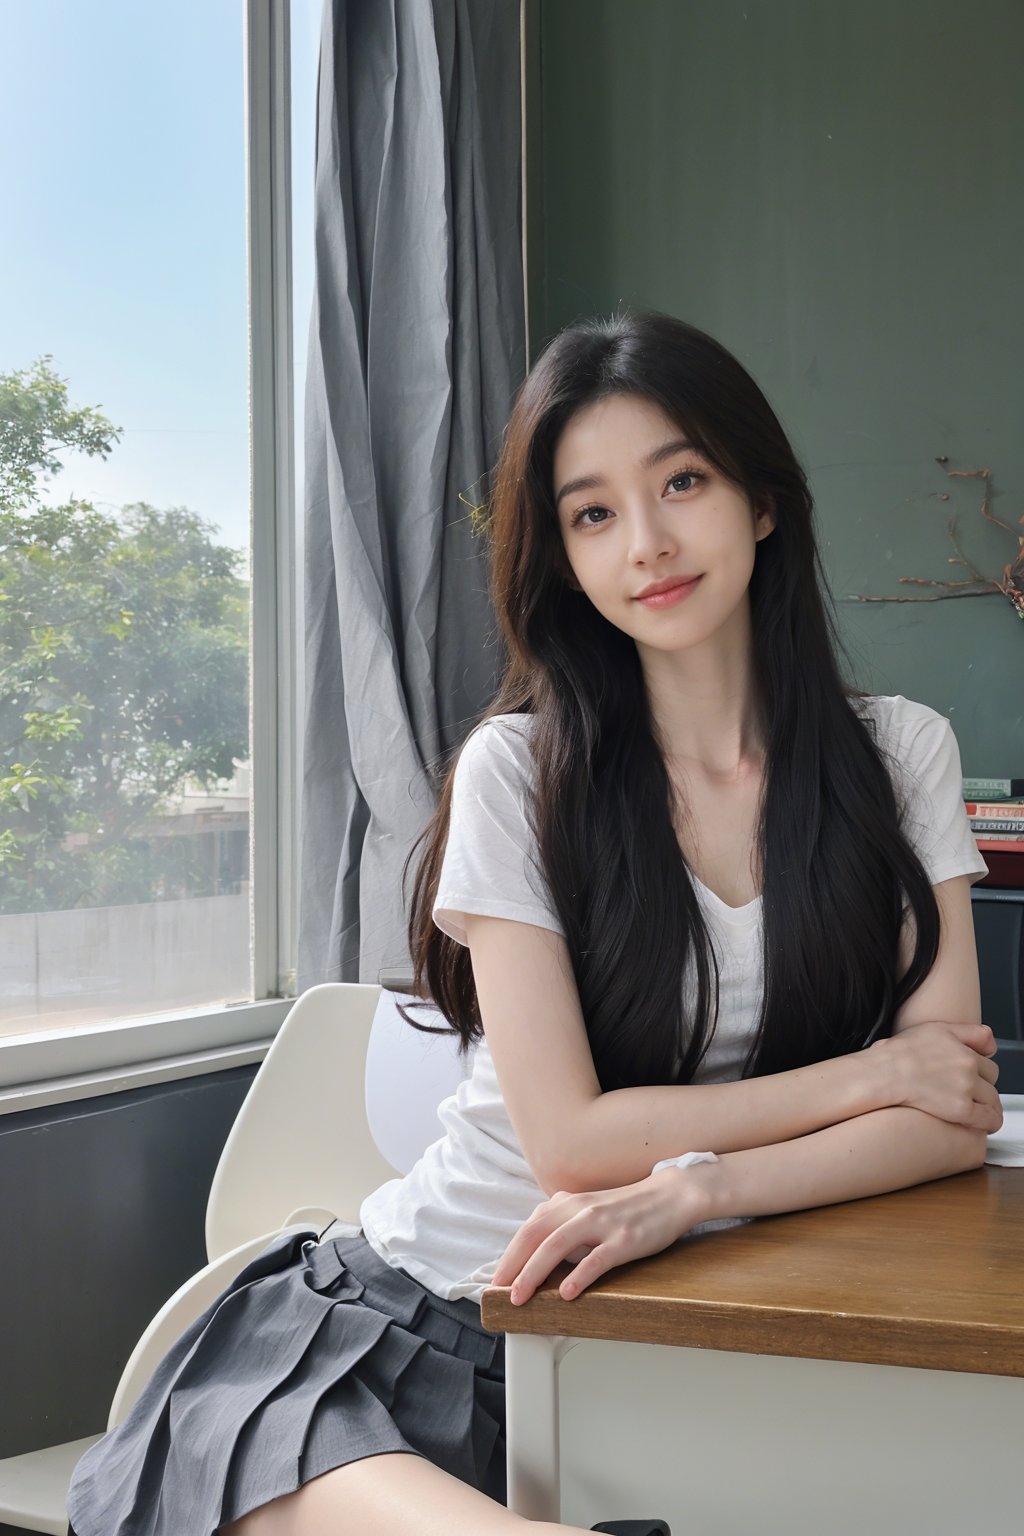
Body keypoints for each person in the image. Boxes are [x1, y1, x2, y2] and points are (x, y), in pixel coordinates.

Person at [66, 311, 1001, 1536]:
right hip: (419, 1331)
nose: (649, 543)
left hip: (689, 1320)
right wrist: (871, 1074)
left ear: (762, 501)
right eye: (592, 513)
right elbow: (568, 1145)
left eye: (683, 482)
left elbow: (948, 1122)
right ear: (558, 553)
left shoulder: (900, 752)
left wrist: (687, 1188)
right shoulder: (518, 771)